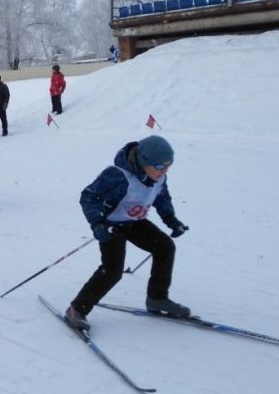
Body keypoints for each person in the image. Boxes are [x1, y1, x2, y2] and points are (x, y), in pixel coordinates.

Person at [65, 135, 191, 331]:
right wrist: (97, 223)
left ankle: (157, 298)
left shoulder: (158, 177)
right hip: (111, 226)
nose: (164, 171)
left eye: (168, 166)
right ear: (144, 162)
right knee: (113, 271)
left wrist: (171, 220)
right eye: (160, 167)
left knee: (165, 247)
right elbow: (88, 196)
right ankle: (77, 309)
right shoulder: (118, 175)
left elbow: (162, 197)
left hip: (135, 222)